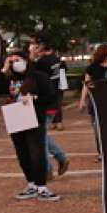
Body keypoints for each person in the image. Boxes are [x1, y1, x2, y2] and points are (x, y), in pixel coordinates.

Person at [3, 50, 61, 201]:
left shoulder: (38, 77)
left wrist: (34, 97)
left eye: (17, 60)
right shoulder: (12, 78)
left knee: (37, 153)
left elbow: (50, 96)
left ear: (26, 60)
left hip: (34, 117)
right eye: (12, 61)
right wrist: (5, 69)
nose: (15, 63)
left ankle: (42, 186)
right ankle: (31, 184)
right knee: (22, 154)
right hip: (16, 118)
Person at [30, 33, 70, 179]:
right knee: (41, 135)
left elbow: (29, 73)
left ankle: (47, 169)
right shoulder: (55, 60)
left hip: (44, 103)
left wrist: (32, 56)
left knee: (39, 137)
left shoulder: (41, 62)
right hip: (52, 100)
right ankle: (60, 157)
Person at [79, 43, 107, 162]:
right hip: (96, 101)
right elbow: (86, 84)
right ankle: (101, 153)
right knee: (97, 127)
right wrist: (82, 100)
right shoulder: (92, 68)